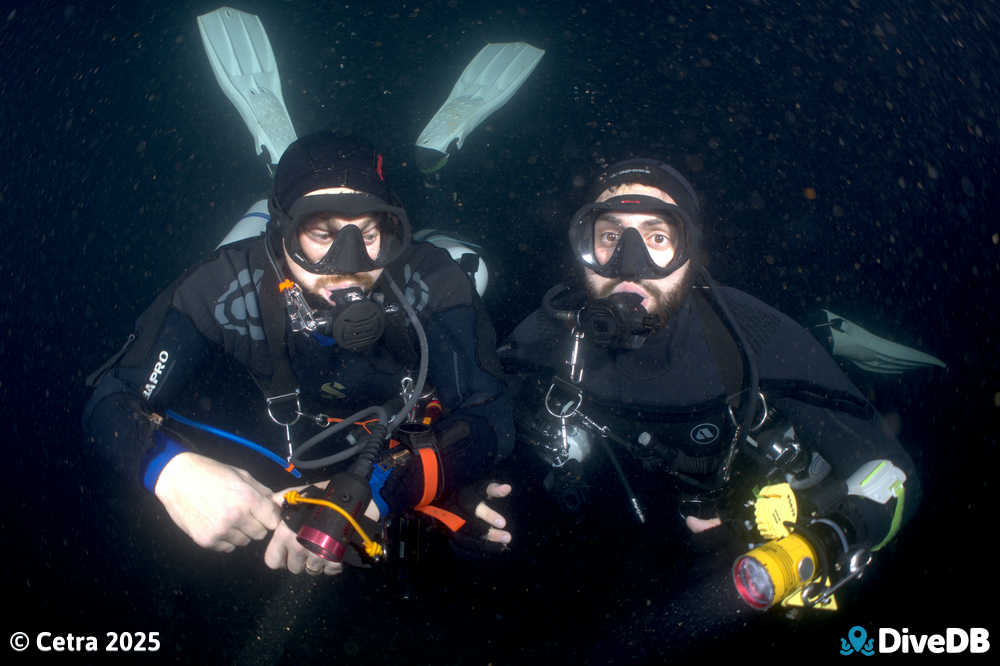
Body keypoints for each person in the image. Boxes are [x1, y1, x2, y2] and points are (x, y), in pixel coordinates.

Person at [499, 159, 919, 647]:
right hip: (604, 555)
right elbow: (480, 412)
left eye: (658, 238)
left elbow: (893, 471)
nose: (629, 265)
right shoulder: (546, 336)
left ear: (689, 252)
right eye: (611, 237)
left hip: (735, 546)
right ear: (583, 247)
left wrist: (819, 543)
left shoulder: (754, 339)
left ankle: (830, 330)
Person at [83, 130, 514, 577]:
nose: (348, 264)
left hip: (382, 428)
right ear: (284, 231)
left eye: (367, 232)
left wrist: (374, 491)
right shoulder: (222, 286)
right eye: (321, 232)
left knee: (471, 267)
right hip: (289, 417)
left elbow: (492, 417)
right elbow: (110, 398)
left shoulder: (433, 280)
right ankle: (272, 178)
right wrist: (170, 471)